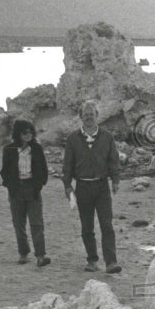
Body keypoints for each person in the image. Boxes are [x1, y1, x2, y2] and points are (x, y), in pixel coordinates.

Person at [63, 100, 122, 274]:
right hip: (83, 187)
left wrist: (116, 180)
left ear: (97, 116)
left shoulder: (106, 137)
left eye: (92, 114)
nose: (89, 117)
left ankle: (111, 262)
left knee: (107, 225)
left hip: (102, 187)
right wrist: (67, 186)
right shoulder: (73, 139)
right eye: (85, 115)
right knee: (87, 227)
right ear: (81, 117)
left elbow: (114, 160)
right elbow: (68, 165)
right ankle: (92, 261)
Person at [0, 119, 51, 268]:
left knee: (37, 223)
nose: (28, 135)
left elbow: (43, 170)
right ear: (18, 133)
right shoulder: (9, 150)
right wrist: (10, 186)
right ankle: (23, 253)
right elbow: (4, 171)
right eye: (24, 132)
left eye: (30, 131)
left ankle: (41, 256)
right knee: (19, 224)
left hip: (32, 188)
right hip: (16, 190)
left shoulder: (37, 148)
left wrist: (39, 185)